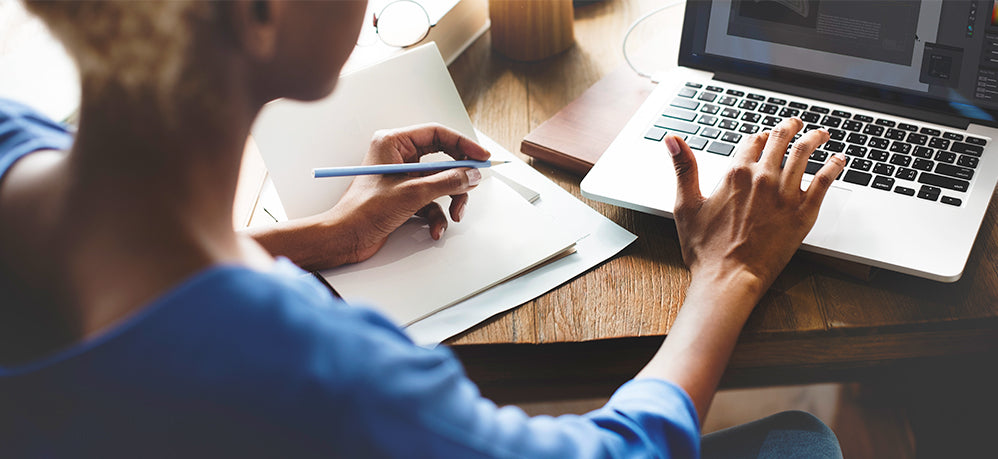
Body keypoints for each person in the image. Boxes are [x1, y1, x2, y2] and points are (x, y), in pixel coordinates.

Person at [0, 1, 844, 457]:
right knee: (803, 445)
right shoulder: (320, 377)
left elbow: (127, 287)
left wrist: (325, 236)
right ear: (256, 14)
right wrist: (727, 273)